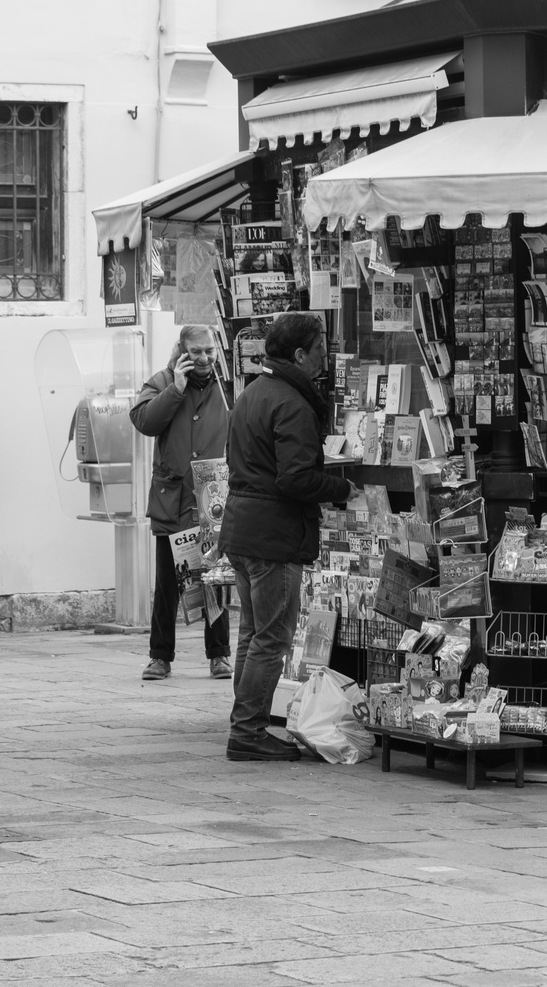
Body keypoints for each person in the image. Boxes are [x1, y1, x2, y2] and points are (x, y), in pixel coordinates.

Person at [219, 312, 355, 762]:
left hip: (244, 528)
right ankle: (248, 730)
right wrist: (340, 487)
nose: (325, 358)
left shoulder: (253, 393)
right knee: (270, 639)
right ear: (299, 354)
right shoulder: (292, 403)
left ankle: (245, 725)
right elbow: (296, 478)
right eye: (320, 349)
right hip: (272, 536)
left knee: (253, 635)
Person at [129, 325, 233, 682]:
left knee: (213, 580)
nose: (204, 359)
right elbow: (144, 421)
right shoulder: (161, 381)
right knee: (168, 583)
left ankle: (219, 655)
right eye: (196, 352)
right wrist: (175, 389)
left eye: (209, 351)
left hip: (213, 498)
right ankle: (160, 656)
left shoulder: (227, 386)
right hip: (172, 498)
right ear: (181, 350)